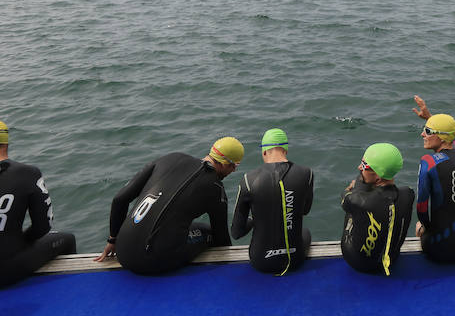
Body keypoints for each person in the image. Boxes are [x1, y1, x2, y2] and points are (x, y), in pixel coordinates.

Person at [94, 137, 243, 274]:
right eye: (234, 166)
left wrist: (112, 239)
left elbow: (120, 199)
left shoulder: (171, 158)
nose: (234, 170)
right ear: (224, 164)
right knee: (208, 232)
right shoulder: (216, 188)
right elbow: (221, 238)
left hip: (122, 251)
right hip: (153, 262)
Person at [0, 120, 76, 287]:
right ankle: (69, 296)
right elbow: (43, 226)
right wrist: (21, 241)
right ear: (6, 142)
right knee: (68, 239)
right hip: (7, 269)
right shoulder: (28, 173)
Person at [231, 129, 314, 275]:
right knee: (305, 231)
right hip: (295, 259)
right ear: (285, 151)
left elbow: (237, 232)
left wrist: (254, 219)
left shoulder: (248, 180)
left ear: (264, 152)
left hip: (260, 261)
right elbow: (304, 210)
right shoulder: (307, 174)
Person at [411, 96, 455, 262]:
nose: (422, 134)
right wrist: (430, 118)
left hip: (440, 248)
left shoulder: (428, 163)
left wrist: (425, 228)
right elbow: (453, 138)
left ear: (441, 137)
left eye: (427, 131)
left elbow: (421, 208)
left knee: (419, 226)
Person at [340, 143, 414, 276]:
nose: (359, 167)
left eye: (364, 165)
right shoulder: (408, 193)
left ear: (378, 176)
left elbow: (345, 199)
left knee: (352, 209)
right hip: (392, 259)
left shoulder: (361, 201)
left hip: (359, 262)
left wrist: (358, 187)